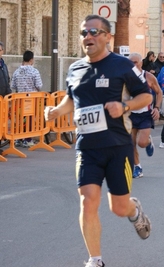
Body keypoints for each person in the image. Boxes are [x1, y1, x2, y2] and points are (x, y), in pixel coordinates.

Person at [44, 15, 152, 267]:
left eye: (94, 32)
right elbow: (72, 99)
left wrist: (124, 105)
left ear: (107, 36)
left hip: (117, 146)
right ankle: (95, 259)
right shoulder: (75, 68)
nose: (88, 37)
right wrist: (57, 111)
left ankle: (134, 211)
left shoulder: (122, 66)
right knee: (87, 199)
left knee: (119, 208)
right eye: (84, 33)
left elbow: (145, 96)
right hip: (87, 147)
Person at [128, 52, 162, 178]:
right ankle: (138, 167)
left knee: (141, 143)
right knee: (131, 143)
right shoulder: (125, 78)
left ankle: (148, 142)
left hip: (145, 114)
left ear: (141, 63)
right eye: (130, 63)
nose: (132, 65)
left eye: (135, 62)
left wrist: (157, 108)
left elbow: (159, 93)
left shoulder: (148, 77)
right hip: (130, 114)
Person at [11, 50, 43, 148]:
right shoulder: (34, 71)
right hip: (31, 99)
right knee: (29, 119)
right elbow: (39, 85)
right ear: (31, 59)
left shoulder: (17, 71)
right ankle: (28, 139)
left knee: (20, 119)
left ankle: (17, 138)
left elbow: (13, 85)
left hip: (19, 98)